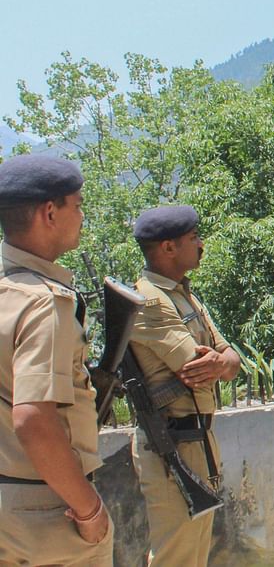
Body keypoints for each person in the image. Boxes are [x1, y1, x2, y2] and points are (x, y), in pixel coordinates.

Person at [0, 154, 112, 565]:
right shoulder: (43, 303)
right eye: (77, 205)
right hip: (45, 510)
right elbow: (33, 419)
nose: (82, 215)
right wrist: (90, 510)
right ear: (50, 212)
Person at [129, 205, 241, 566]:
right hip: (170, 444)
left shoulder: (182, 295)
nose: (201, 244)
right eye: (193, 238)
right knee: (175, 555)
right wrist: (220, 362)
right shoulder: (150, 300)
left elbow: (229, 360)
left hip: (195, 439)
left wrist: (222, 362)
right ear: (167, 248)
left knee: (193, 555)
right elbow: (195, 365)